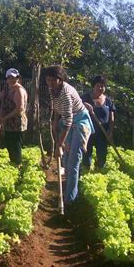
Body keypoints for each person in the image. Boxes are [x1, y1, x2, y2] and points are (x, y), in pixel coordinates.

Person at [45, 65, 94, 207]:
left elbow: (68, 122)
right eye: (48, 80)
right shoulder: (52, 89)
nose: (50, 83)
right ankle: (70, 188)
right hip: (67, 122)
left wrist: (59, 144)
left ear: (60, 79)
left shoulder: (65, 93)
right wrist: (54, 120)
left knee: (72, 162)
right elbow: (55, 107)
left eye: (54, 80)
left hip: (79, 123)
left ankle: (70, 200)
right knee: (66, 160)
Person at [81, 75, 116, 170]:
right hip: (87, 132)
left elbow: (111, 118)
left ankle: (99, 170)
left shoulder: (108, 101)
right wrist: (83, 104)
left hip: (102, 133)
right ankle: (86, 172)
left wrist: (110, 132)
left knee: (102, 155)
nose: (100, 88)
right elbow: (76, 108)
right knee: (86, 155)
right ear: (93, 86)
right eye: (98, 86)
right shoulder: (85, 98)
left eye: (102, 86)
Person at [0, 68, 28, 167]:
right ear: (6, 79)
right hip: (9, 124)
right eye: (9, 78)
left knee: (15, 147)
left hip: (17, 124)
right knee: (10, 147)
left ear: (18, 78)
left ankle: (17, 167)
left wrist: (4, 118)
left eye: (14, 78)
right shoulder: (10, 89)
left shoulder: (19, 90)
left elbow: (19, 109)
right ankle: (14, 165)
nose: (11, 80)